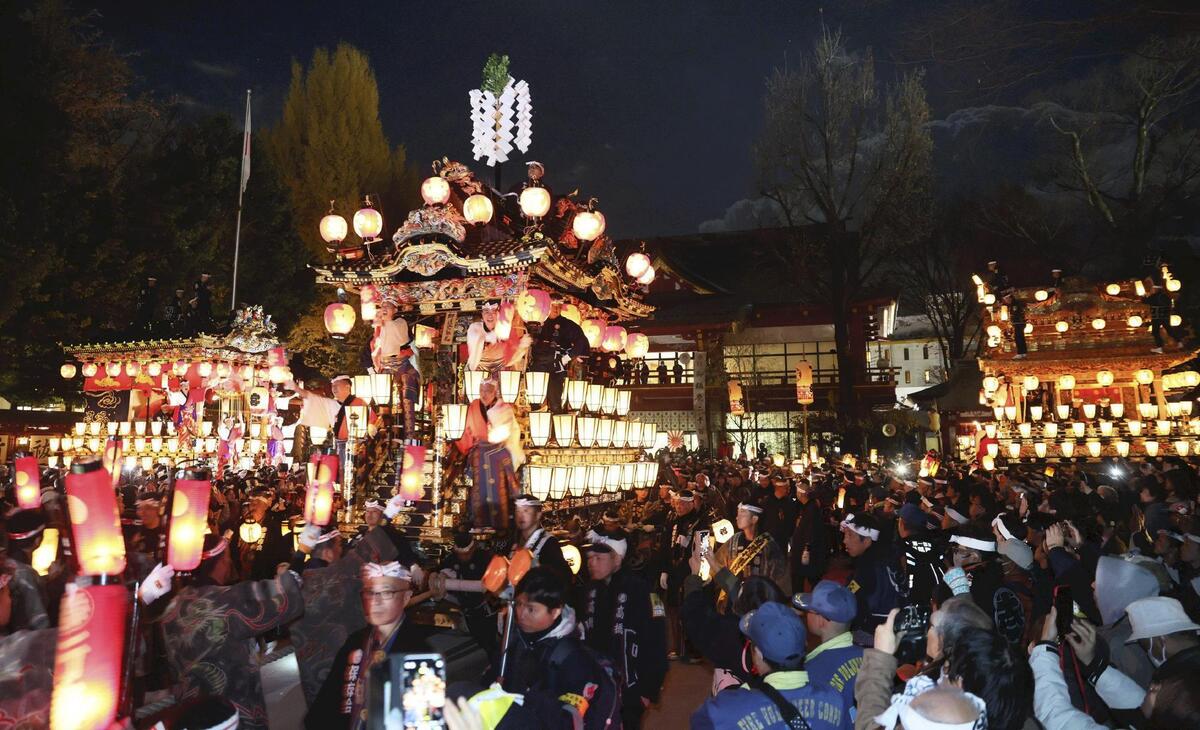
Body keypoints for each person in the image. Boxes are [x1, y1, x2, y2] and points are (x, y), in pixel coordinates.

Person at [160, 534, 304, 730]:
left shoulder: (173, 604)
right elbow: (283, 601)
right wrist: (301, 553)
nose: (230, 562)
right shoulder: (225, 600)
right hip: (232, 711)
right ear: (220, 562)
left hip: (190, 711)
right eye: (227, 556)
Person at [305, 561, 434, 729]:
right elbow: (327, 703)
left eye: (386, 592)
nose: (376, 601)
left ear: (406, 597)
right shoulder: (355, 642)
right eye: (370, 592)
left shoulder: (419, 652)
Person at [690, 601, 848, 729]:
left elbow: (698, 722)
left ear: (757, 654)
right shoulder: (834, 698)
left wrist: (742, 690)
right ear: (804, 645)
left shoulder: (724, 708)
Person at [501, 567, 616, 730]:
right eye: (518, 604)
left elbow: (571, 720)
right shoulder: (516, 640)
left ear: (555, 612)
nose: (521, 614)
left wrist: (528, 695)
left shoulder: (573, 658)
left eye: (531, 609)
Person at [579, 529, 667, 729]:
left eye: (598, 557)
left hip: (629, 687)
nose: (591, 562)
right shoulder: (590, 590)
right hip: (595, 684)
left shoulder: (641, 591)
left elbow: (656, 641)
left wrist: (648, 689)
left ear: (617, 559)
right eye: (590, 557)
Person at [794, 580, 863, 713]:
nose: (805, 614)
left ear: (821, 621)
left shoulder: (811, 670)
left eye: (809, 611)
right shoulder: (869, 656)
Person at [713, 501, 789, 597]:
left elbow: (779, 576)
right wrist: (732, 585)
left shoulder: (768, 544)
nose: (737, 517)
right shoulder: (734, 540)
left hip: (760, 598)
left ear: (754, 519)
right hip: (735, 596)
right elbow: (717, 562)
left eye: (743, 513)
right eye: (738, 513)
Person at [371, 299, 420, 441]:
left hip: (402, 363)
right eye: (382, 306)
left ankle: (409, 435)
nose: (384, 308)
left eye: (388, 306)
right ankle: (383, 433)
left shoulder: (400, 322)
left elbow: (399, 337)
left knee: (407, 395)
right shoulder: (378, 326)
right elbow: (376, 346)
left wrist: (383, 321)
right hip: (385, 364)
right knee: (382, 396)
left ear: (395, 310)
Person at [528, 299, 590, 413]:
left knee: (555, 402)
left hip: (556, 366)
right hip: (536, 366)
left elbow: (582, 342)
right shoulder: (536, 320)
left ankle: (555, 427)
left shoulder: (567, 325)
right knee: (534, 401)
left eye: (559, 306)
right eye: (553, 306)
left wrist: (567, 358)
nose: (556, 309)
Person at [840, 512, 898, 632]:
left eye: (849, 535)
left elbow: (850, 593)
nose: (844, 541)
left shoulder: (868, 567)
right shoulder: (885, 557)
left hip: (873, 631)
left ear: (867, 541)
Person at [513, 495, 571, 586]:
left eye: (526, 511)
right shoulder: (513, 541)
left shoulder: (548, 543)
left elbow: (562, 577)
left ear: (538, 515)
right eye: (518, 511)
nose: (521, 516)